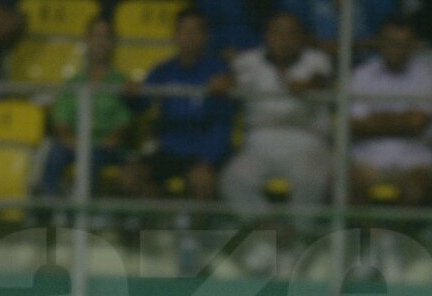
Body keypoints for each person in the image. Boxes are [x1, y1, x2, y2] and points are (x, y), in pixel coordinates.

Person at [219, 12, 333, 228]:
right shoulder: (248, 61)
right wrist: (223, 82)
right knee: (233, 180)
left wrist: (308, 86)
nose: (284, 39)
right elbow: (230, 81)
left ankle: (300, 235)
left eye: (291, 33)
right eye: (277, 33)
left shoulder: (317, 60)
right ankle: (271, 232)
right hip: (259, 146)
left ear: (302, 37)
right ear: (267, 36)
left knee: (309, 179)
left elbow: (320, 80)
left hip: (307, 145)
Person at [119, 7, 234, 202]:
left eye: (195, 31)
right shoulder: (163, 71)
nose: (189, 37)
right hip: (168, 151)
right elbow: (141, 105)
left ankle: (196, 232)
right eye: (184, 31)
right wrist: (131, 94)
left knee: (203, 182)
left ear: (205, 36)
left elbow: (224, 121)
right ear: (175, 35)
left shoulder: (219, 73)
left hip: (203, 154)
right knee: (128, 177)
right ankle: (161, 225)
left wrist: (209, 160)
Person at [349, 16, 432, 207]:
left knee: (416, 189)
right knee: (348, 185)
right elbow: (357, 125)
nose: (397, 48)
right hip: (368, 159)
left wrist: (377, 119)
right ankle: (367, 236)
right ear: (379, 43)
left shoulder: (427, 76)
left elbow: (418, 123)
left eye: (403, 43)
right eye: (391, 42)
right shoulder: (361, 74)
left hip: (414, 161)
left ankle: (402, 237)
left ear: (413, 46)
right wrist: (404, 120)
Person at [40, 15, 133, 198]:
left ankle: (89, 215)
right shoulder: (73, 83)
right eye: (96, 36)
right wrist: (72, 141)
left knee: (93, 157)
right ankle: (47, 210)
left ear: (113, 43)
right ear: (87, 40)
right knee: (55, 153)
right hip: (73, 145)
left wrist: (110, 140)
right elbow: (60, 121)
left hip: (106, 148)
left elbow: (124, 123)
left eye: (106, 36)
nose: (100, 42)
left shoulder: (121, 83)